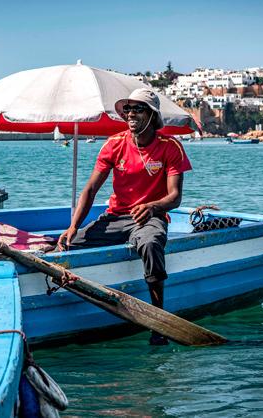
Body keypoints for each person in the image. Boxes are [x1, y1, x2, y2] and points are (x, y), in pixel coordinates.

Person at [57, 88, 192, 345]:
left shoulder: (170, 146)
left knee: (151, 244)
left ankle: (158, 319)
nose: (130, 114)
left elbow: (175, 197)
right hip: (116, 216)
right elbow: (90, 189)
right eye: (127, 109)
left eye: (137, 109)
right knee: (68, 245)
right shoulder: (114, 144)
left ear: (152, 116)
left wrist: (153, 207)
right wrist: (73, 226)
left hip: (150, 217)